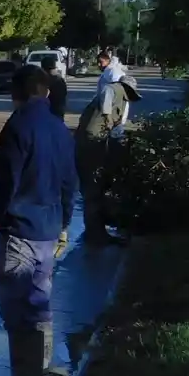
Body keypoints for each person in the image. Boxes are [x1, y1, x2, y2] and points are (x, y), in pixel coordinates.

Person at [0, 65, 77, 376]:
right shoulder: (60, 129)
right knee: (39, 307)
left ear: (17, 93)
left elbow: (5, 187)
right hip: (48, 232)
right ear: (45, 92)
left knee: (17, 313)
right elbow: (69, 183)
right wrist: (65, 224)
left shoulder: (17, 127)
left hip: (19, 233)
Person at [75, 58, 140, 245]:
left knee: (94, 189)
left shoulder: (112, 96)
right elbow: (105, 109)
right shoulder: (113, 90)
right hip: (90, 148)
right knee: (93, 190)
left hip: (87, 147)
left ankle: (96, 231)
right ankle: (95, 234)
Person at [40, 53, 69, 120]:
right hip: (59, 112)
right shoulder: (60, 80)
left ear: (43, 68)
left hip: (49, 114)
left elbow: (43, 97)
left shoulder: (46, 81)